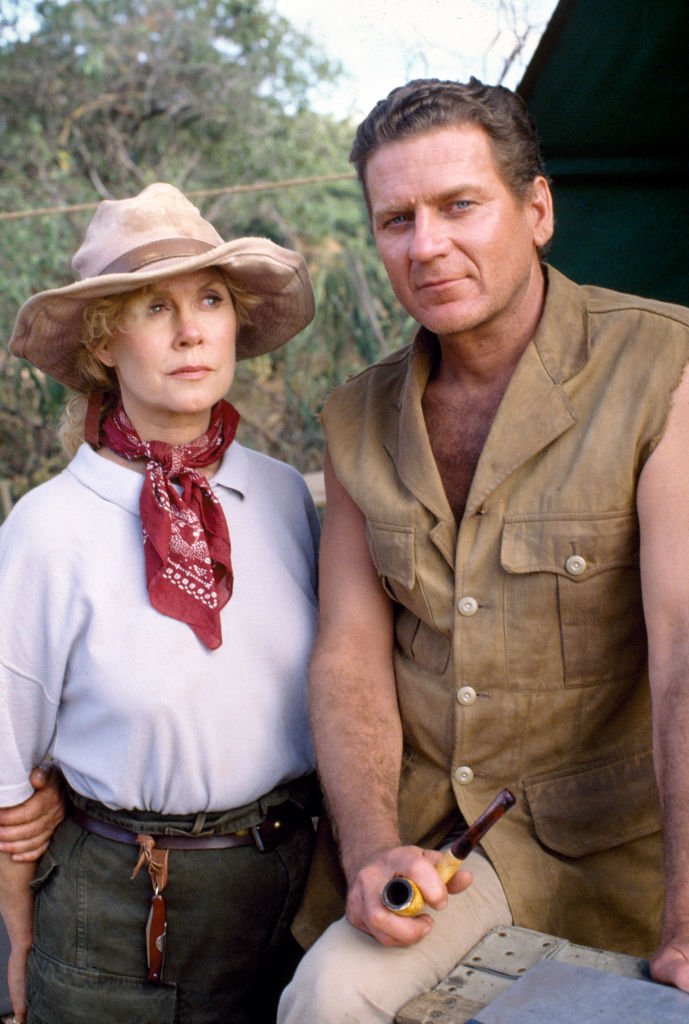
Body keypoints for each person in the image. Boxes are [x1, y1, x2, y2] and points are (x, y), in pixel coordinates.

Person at [276, 77, 689, 1022]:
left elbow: (679, 643)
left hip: (618, 856)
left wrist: (684, 910)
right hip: (443, 854)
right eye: (396, 220)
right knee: (329, 995)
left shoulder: (660, 368)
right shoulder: (355, 417)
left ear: (536, 208)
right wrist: (374, 845)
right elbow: (348, 649)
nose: (426, 246)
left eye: (459, 205)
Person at [0, 182, 320, 1024]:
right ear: (106, 345)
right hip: (122, 910)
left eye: (209, 299)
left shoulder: (283, 497)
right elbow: (5, 741)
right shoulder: (51, 527)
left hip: (289, 887)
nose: (190, 330)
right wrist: (16, 914)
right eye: (153, 307)